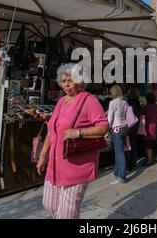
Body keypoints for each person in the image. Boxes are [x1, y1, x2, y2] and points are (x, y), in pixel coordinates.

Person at [36, 63, 109, 219]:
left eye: (70, 80)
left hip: (77, 165)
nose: (66, 85)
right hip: (54, 165)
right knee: (49, 205)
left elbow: (103, 127)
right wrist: (43, 155)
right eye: (63, 81)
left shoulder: (89, 100)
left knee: (67, 213)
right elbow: (51, 130)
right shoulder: (61, 101)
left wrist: (78, 133)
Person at [107, 85, 129, 184]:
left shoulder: (112, 103)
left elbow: (110, 118)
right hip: (124, 127)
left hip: (116, 128)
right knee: (119, 151)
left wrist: (106, 129)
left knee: (119, 153)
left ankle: (121, 176)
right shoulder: (125, 102)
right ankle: (117, 172)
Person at [125, 87, 141, 172]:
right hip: (135, 126)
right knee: (133, 145)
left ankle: (128, 166)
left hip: (128, 126)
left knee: (127, 147)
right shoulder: (138, 103)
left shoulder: (127, 102)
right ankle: (134, 164)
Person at [141, 92, 157, 166]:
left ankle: (150, 161)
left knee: (148, 144)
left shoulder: (147, 107)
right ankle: (150, 158)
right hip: (154, 126)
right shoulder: (155, 106)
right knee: (151, 143)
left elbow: (142, 113)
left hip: (148, 127)